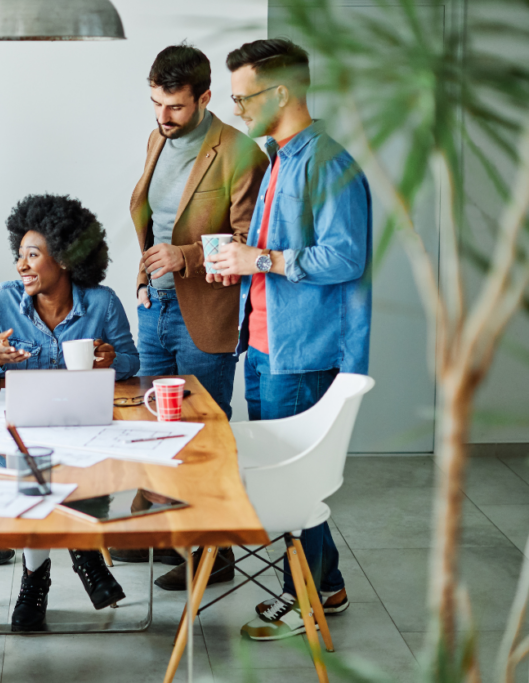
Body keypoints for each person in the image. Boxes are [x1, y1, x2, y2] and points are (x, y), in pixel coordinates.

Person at [211, 38, 372, 641]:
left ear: (281, 92)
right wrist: (246, 264)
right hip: (264, 344)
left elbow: (346, 255)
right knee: (285, 477)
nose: (237, 111)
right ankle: (322, 586)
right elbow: (273, 258)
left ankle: (305, 594)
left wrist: (266, 258)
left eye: (243, 97)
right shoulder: (279, 157)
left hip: (301, 352)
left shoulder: (328, 162)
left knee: (294, 483)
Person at [118, 44, 268, 591]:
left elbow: (251, 240)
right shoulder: (157, 138)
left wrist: (187, 257)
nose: (163, 116)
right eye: (156, 103)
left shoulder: (240, 152)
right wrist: (144, 278)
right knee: (154, 426)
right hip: (154, 306)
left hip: (205, 312)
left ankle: (215, 551)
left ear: (205, 98)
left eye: (176, 106)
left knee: (203, 432)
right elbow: (154, 217)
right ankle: (161, 529)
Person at [0, 194, 139, 632]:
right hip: (22, 436)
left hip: (83, 430)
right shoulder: (2, 302)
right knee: (33, 469)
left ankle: (44, 572)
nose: (21, 265)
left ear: (67, 258)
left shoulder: (103, 303)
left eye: (33, 255)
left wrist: (112, 358)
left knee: (73, 467)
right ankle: (70, 561)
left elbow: (132, 362)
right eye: (20, 255)